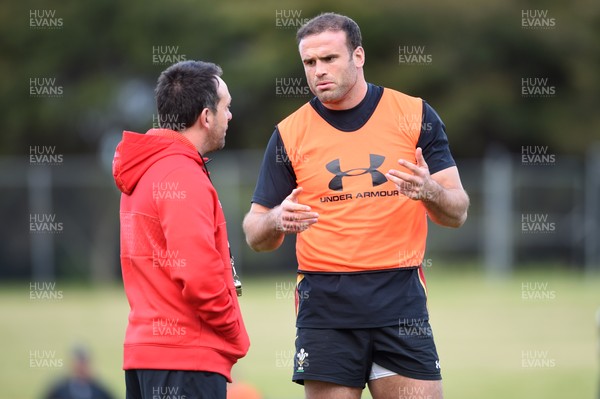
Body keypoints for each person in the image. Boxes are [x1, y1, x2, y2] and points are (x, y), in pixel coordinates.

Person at [243, 12, 469, 399]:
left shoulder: (413, 114)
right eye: (309, 63)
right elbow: (254, 232)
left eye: (329, 59)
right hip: (325, 303)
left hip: (399, 296)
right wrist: (278, 219)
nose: (318, 71)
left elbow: (458, 211)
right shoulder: (289, 132)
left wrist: (428, 189)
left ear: (358, 56)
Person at [113, 60, 250, 399]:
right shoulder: (181, 175)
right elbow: (200, 276)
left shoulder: (149, 169)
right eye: (225, 107)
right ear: (206, 117)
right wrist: (233, 329)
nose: (229, 116)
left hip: (149, 355)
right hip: (185, 359)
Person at [44, 346, 114, 399]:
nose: (81, 367)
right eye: (78, 362)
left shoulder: (99, 390)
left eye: (84, 362)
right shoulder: (59, 389)